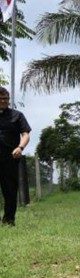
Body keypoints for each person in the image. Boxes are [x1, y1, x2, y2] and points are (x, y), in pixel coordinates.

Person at [0, 87, 31, 226]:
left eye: (5, 98)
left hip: (10, 158)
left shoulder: (17, 115)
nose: (3, 101)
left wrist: (20, 147)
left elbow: (25, 134)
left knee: (10, 191)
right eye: (0, 99)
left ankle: (8, 221)